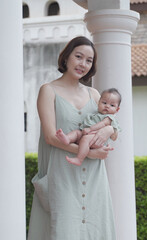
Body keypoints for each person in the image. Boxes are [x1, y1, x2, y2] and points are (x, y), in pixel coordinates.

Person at [28, 36, 117, 240]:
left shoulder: (94, 94)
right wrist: (90, 153)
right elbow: (51, 137)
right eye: (79, 57)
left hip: (95, 180)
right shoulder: (48, 91)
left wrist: (107, 130)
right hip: (62, 177)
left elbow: (114, 129)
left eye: (89, 60)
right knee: (63, 231)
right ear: (66, 57)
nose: (83, 64)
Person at [55, 88, 122, 166]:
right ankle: (67, 138)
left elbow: (102, 124)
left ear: (117, 109)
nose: (107, 106)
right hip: (88, 133)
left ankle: (79, 159)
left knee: (85, 139)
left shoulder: (109, 118)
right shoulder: (96, 114)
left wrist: (90, 129)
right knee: (77, 133)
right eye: (104, 102)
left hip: (97, 139)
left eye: (112, 105)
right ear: (98, 102)